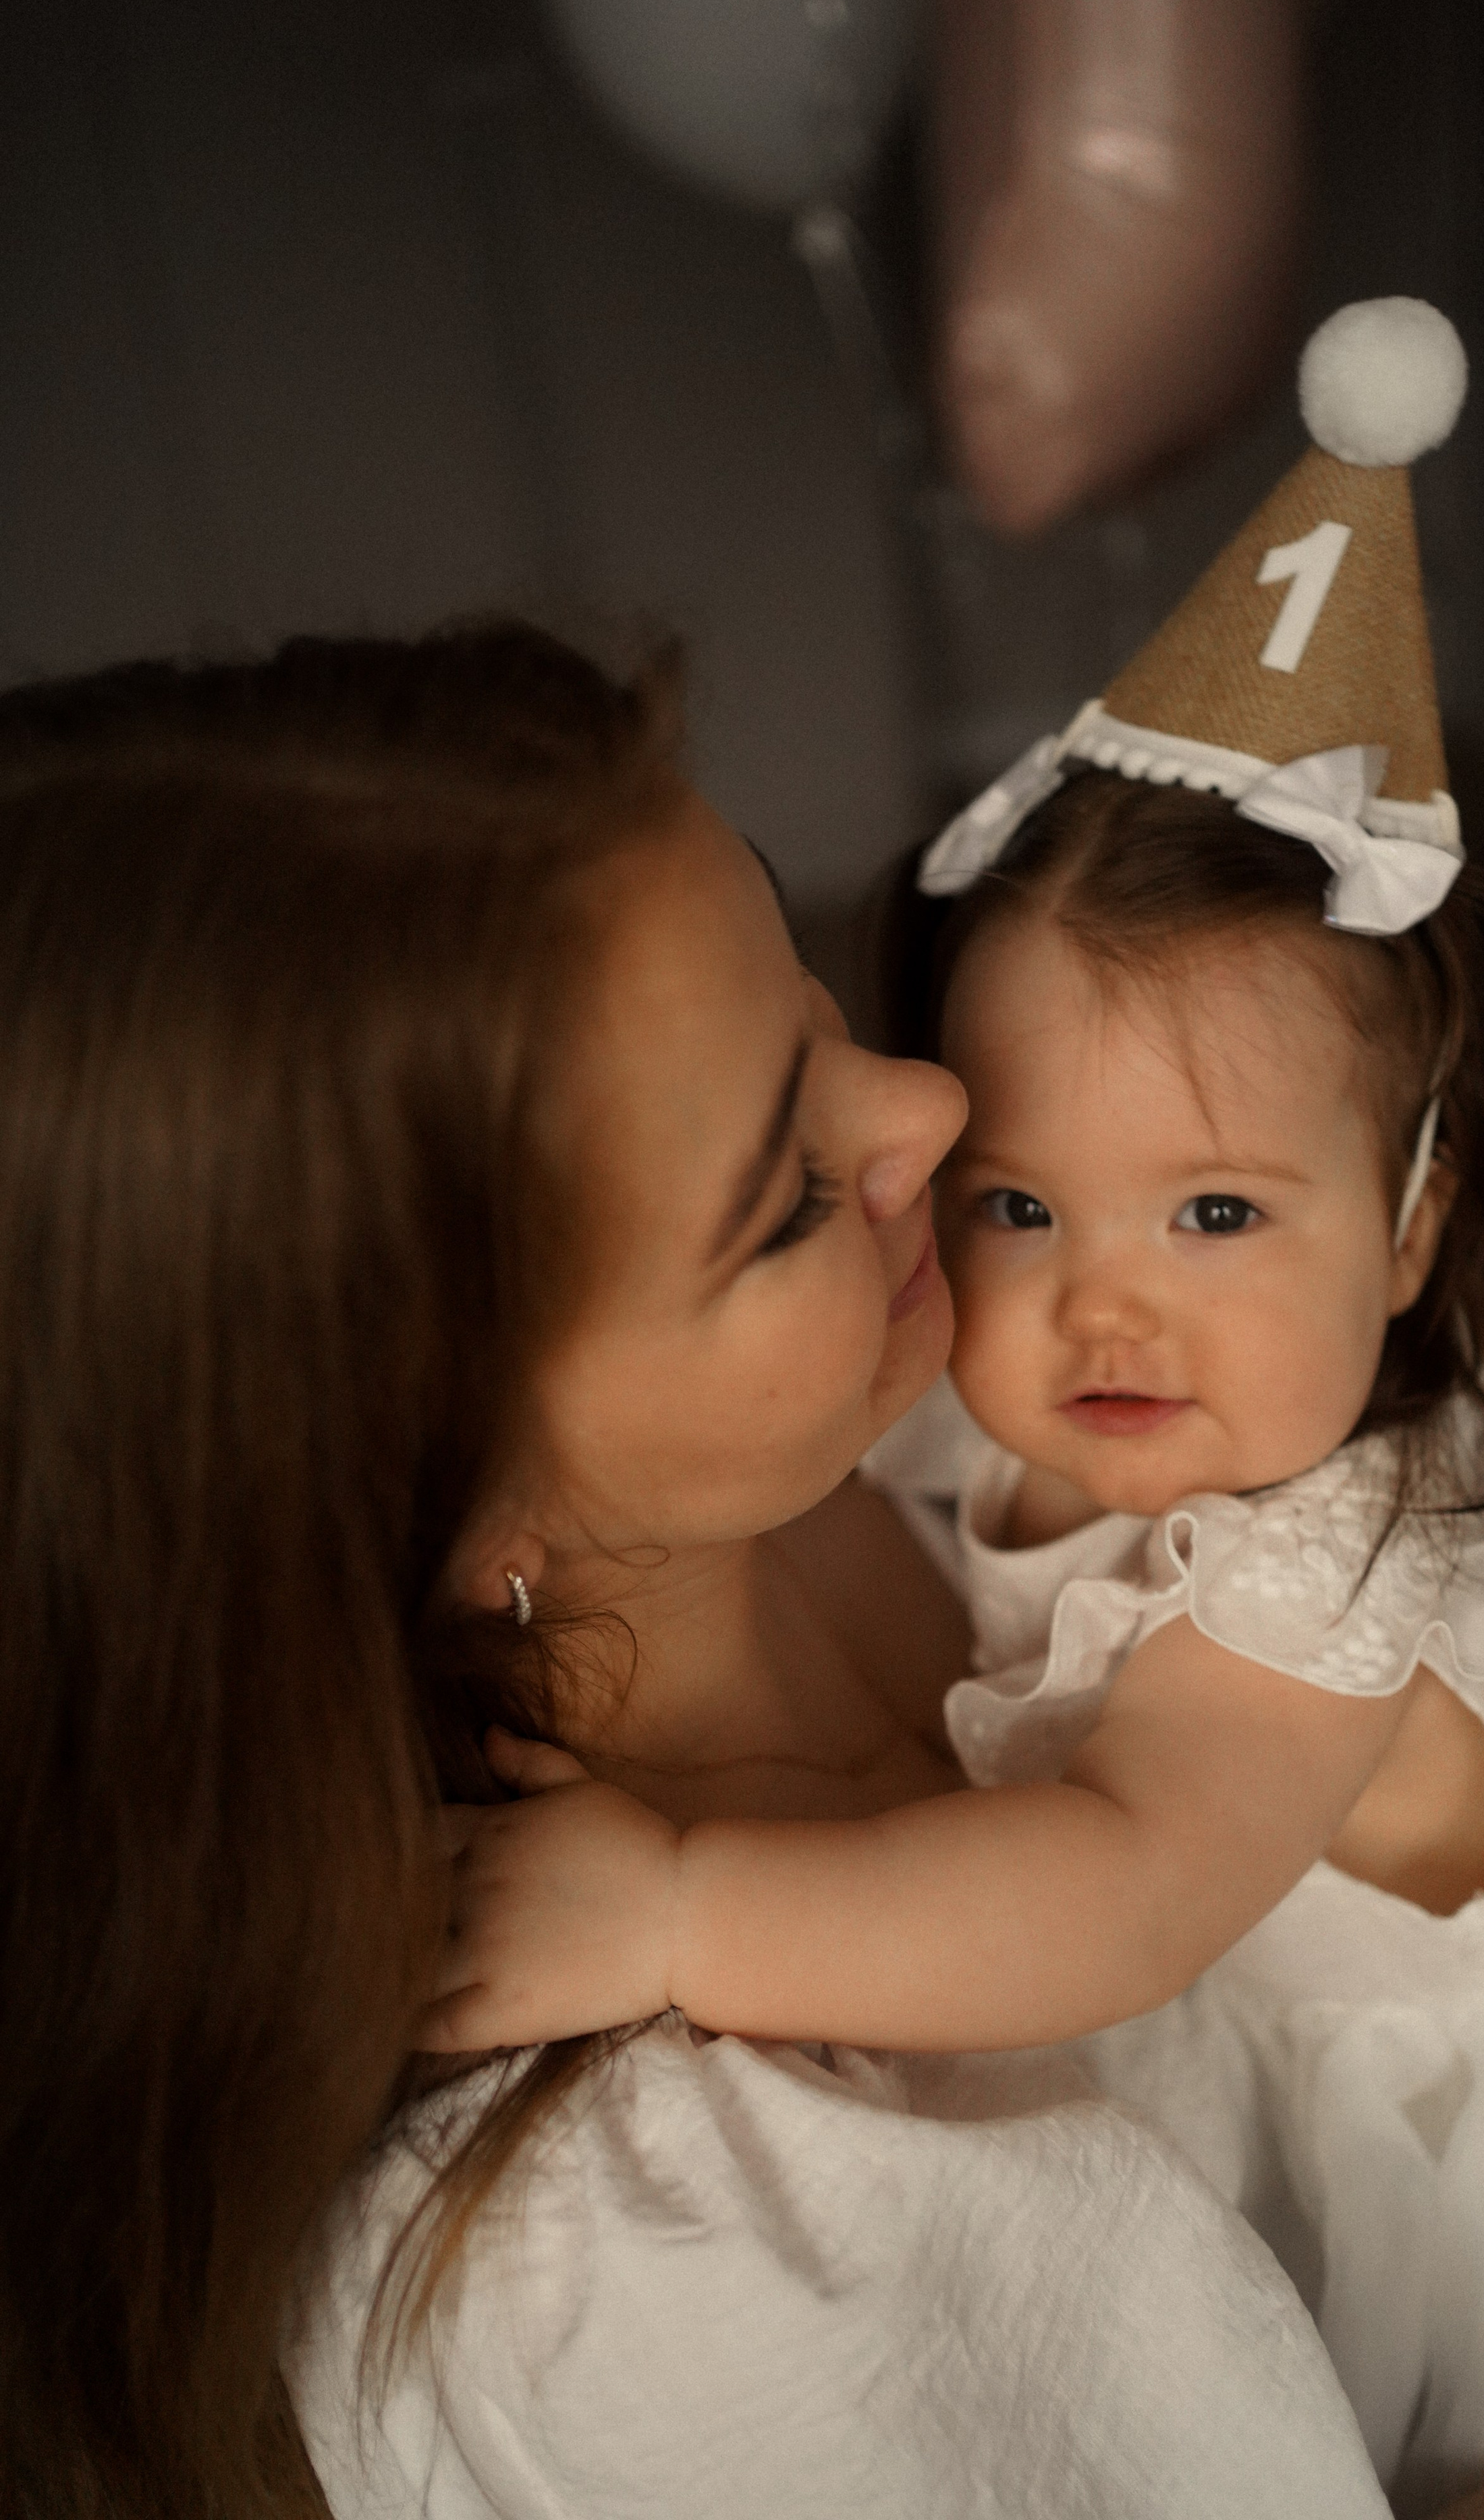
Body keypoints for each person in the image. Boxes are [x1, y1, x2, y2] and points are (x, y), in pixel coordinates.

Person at [424, 308, 1484, 2515]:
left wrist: (677, 1914)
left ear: (1411, 1233)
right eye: (1024, 1202)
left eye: (1219, 1211)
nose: (1105, 1301)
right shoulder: (947, 1400)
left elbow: (1124, 1881)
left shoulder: (1328, 1552)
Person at [0, 623, 1396, 2519]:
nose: (929, 1105)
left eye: (803, 987)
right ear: (453, 1511)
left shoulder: (931, 1398)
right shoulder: (625, 2248)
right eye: (784, 1202)